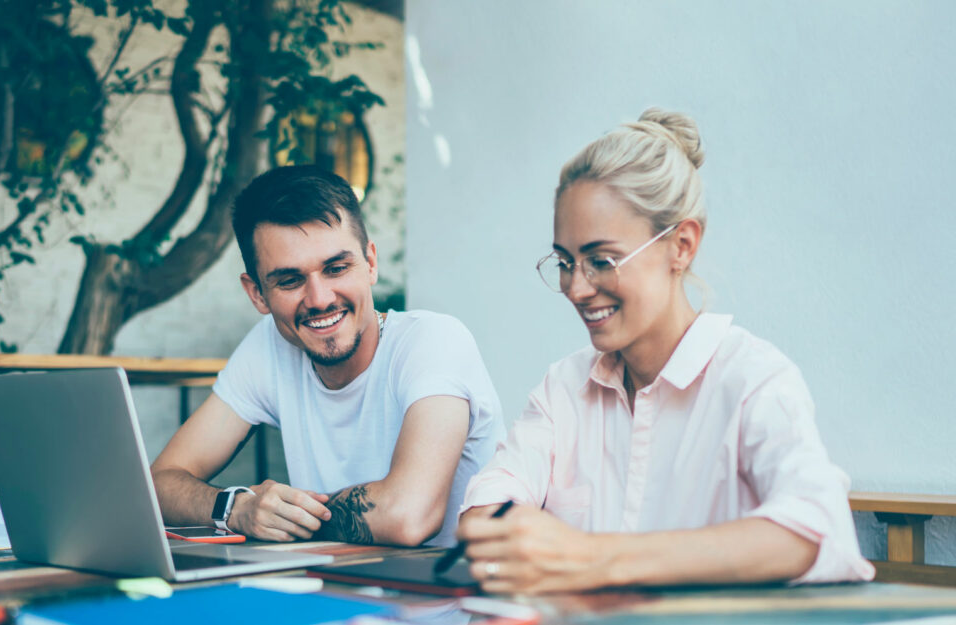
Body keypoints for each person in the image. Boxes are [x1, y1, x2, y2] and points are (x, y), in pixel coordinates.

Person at [457, 108, 874, 593]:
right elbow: (484, 514)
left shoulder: (752, 379)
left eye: (601, 261)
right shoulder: (563, 389)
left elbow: (816, 528)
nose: (576, 288)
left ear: (681, 246)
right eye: (566, 262)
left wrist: (595, 558)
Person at [151, 165, 503, 547]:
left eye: (336, 268)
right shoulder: (270, 345)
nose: (319, 299)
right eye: (289, 280)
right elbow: (160, 482)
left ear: (370, 263)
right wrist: (238, 510)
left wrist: (287, 518)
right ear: (256, 294)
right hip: (333, 595)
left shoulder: (433, 341)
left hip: (451, 604)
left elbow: (408, 516)